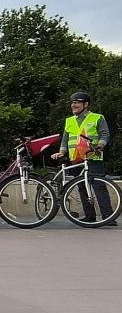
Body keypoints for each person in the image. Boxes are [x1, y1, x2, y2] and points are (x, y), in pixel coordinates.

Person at [51, 91, 115, 225]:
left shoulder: (97, 118)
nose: (73, 105)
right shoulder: (69, 121)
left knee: (98, 186)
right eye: (72, 103)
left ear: (86, 104)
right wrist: (62, 152)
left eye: (77, 102)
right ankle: (89, 216)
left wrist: (100, 146)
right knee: (81, 187)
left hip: (93, 156)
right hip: (76, 158)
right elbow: (65, 139)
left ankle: (108, 217)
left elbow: (104, 134)